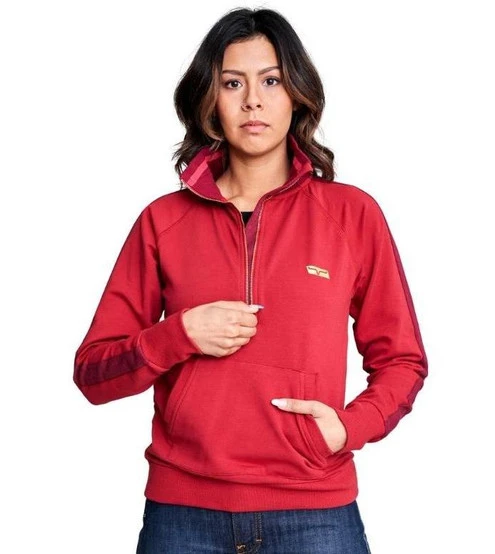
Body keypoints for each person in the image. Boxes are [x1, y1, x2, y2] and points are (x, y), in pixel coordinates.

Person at [73, 7, 428, 553]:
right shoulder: (162, 221)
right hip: (183, 516)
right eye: (232, 83)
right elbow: (94, 373)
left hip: (316, 514)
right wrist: (179, 335)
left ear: (297, 97)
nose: (253, 101)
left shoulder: (351, 214)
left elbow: (402, 359)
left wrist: (349, 427)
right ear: (208, 99)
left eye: (272, 81)